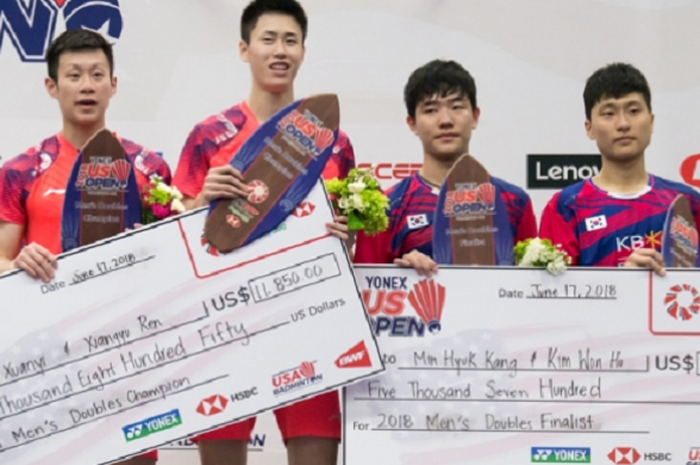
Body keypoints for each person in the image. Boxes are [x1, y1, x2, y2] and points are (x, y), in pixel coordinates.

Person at [172, 1, 355, 464]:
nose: (280, 51)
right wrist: (198, 206)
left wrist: (346, 238)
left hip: (310, 323)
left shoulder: (334, 140)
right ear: (243, 49)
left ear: (303, 52)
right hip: (225, 326)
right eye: (268, 39)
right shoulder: (209, 136)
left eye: (290, 41)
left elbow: (351, 237)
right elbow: (174, 240)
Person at [0, 30, 170, 464]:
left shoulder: (149, 168)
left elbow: (175, 260)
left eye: (98, 74)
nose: (87, 85)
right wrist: (18, 263)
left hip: (128, 349)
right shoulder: (21, 171)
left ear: (114, 85)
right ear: (52, 86)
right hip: (46, 357)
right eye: (74, 75)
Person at [353, 59, 537, 271]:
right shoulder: (387, 208)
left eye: (457, 107)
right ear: (412, 123)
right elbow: (367, 291)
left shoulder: (514, 202)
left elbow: (533, 290)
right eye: (430, 110)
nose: (445, 120)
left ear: (475, 116)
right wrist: (401, 276)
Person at [539, 63, 700, 274]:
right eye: (608, 113)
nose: (623, 124)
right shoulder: (566, 207)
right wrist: (624, 284)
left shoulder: (686, 203)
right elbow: (553, 298)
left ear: (651, 122)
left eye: (633, 111)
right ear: (589, 128)